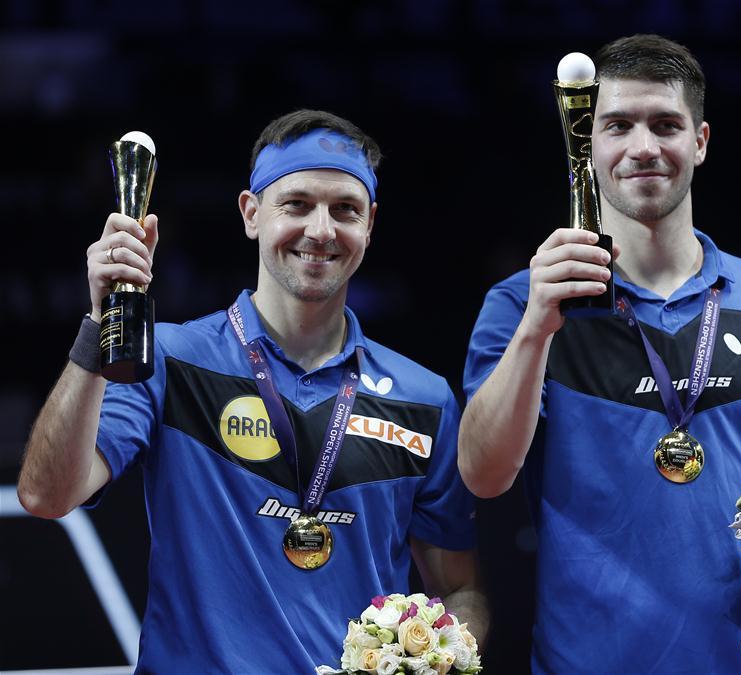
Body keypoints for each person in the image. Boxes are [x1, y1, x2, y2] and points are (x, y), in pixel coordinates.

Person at [18, 109, 487, 673]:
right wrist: (101, 323)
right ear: (251, 213)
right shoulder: (170, 361)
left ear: (370, 225)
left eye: (345, 209)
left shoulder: (423, 399)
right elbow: (47, 495)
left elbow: (460, 590)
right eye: (297, 204)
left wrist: (445, 655)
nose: (321, 230)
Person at [459, 34, 741, 674]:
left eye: (665, 125)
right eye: (618, 126)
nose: (643, 147)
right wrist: (536, 328)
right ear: (589, 145)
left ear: (700, 141)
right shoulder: (522, 304)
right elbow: (483, 474)